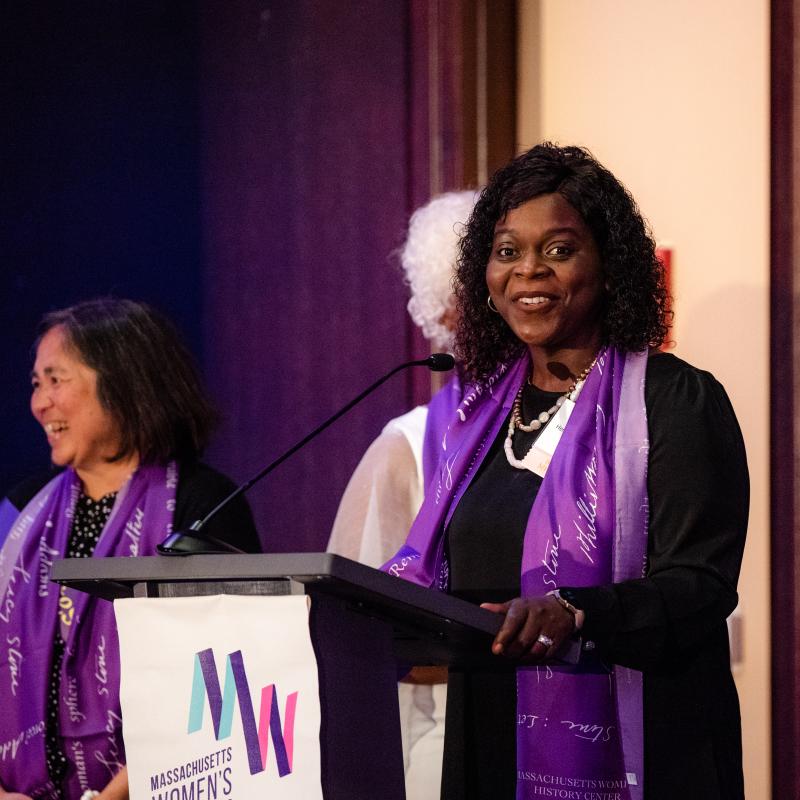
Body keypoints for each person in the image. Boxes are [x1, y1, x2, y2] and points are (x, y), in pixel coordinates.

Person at [382, 143, 748, 800]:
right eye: (506, 252)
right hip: (489, 743)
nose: (528, 271)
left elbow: (700, 587)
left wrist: (579, 613)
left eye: (557, 249)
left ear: (609, 267)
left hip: (643, 752)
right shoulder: (477, 421)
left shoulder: (672, 401)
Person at [0, 298, 260, 800]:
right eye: (37, 383)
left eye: (56, 379)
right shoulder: (17, 513)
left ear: (123, 383)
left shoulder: (202, 505)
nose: (39, 403)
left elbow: (221, 686)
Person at [328, 191, 476, 798]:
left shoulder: (586, 435)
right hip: (442, 747)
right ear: (448, 310)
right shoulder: (409, 446)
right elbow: (350, 632)